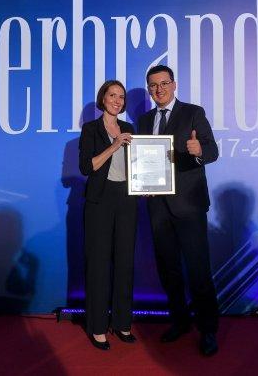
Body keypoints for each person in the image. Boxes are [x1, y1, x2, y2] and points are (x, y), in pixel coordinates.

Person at [137, 65, 220, 356]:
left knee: (198, 270)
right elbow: (142, 160)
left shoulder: (193, 112)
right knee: (168, 269)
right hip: (157, 205)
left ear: (174, 84)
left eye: (164, 83)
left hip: (189, 206)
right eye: (153, 85)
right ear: (149, 89)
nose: (159, 89)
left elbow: (212, 150)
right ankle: (180, 321)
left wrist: (200, 151)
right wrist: (140, 181)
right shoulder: (144, 120)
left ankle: (208, 329)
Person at [79, 80, 137, 350]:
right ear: (103, 98)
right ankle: (98, 327)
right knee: (99, 263)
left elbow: (138, 164)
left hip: (127, 199)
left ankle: (123, 323)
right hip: (100, 200)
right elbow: (87, 167)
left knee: (125, 262)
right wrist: (114, 146)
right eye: (112, 95)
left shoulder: (129, 129)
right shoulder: (91, 129)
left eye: (121, 97)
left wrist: (148, 185)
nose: (117, 100)